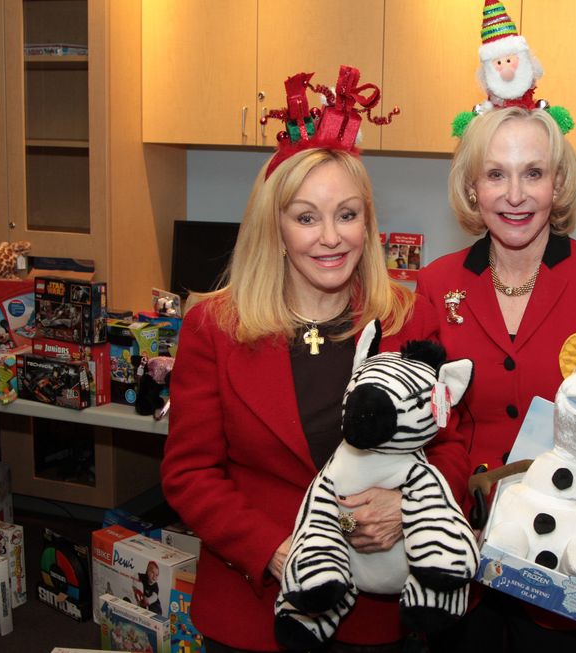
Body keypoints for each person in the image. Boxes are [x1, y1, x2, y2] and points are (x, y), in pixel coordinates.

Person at [161, 66, 468, 653]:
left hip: (380, 611)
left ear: (367, 223)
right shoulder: (215, 326)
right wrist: (282, 554)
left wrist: (407, 507)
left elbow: (452, 442)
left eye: (347, 215)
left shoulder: (409, 319)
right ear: (275, 229)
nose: (331, 237)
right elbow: (189, 474)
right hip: (257, 609)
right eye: (306, 217)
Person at [416, 106, 576, 650]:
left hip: (568, 571)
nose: (515, 194)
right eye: (495, 174)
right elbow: (434, 425)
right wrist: (454, 513)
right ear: (471, 187)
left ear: (558, 184)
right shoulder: (439, 285)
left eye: (533, 173)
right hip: (468, 563)